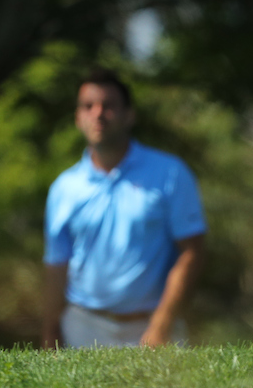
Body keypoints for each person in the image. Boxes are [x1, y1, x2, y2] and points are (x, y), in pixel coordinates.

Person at [42, 67, 207, 348]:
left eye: (108, 106)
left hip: (154, 327)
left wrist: (162, 322)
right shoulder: (64, 187)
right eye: (88, 106)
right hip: (83, 326)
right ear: (78, 117)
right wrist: (49, 331)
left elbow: (192, 251)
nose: (98, 114)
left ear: (129, 115)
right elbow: (57, 265)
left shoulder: (170, 173)